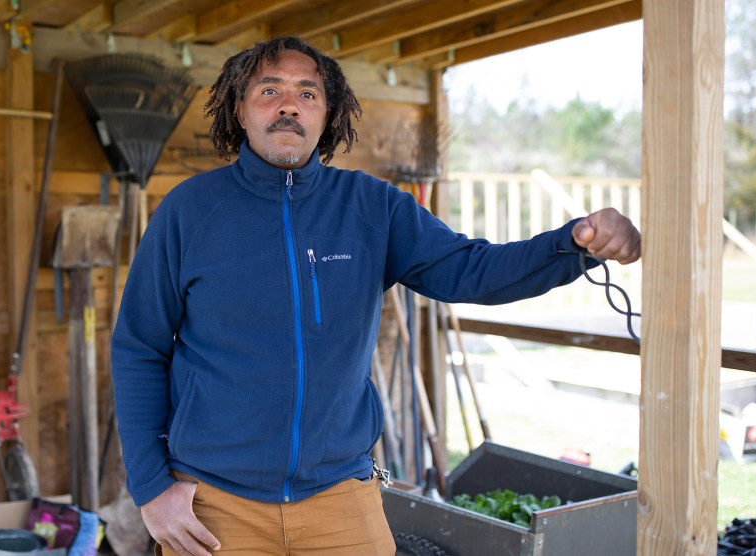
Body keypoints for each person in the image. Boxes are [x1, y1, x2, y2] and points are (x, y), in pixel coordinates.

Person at [110, 35, 641, 556]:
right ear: (239, 110)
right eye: (269, 90)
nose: (289, 105)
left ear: (327, 114)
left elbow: (473, 270)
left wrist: (573, 245)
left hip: (341, 499)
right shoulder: (189, 212)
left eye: (308, 93)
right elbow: (139, 347)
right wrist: (152, 489)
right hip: (217, 503)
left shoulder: (373, 207)